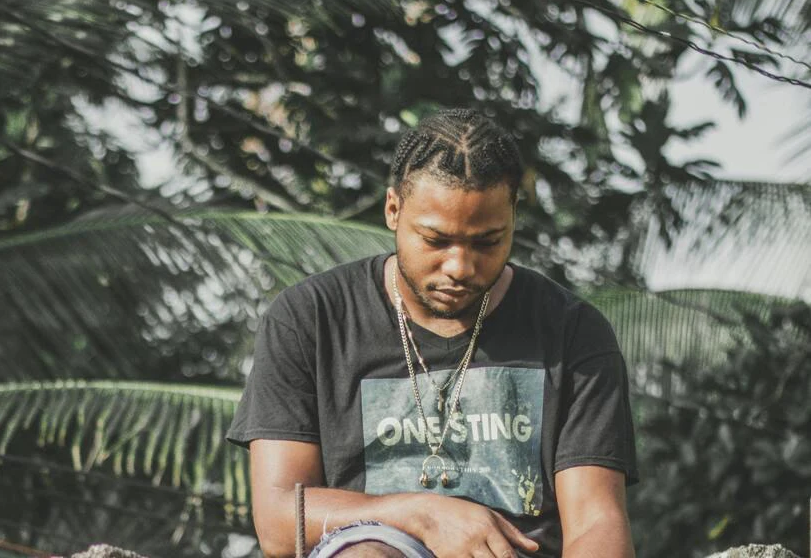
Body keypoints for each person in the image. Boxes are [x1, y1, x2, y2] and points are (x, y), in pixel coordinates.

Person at [226, 108, 638, 558]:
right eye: (437, 241)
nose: (460, 267)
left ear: (514, 218)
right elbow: (281, 520)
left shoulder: (571, 331)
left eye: (486, 241)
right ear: (393, 210)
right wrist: (422, 514)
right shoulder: (311, 319)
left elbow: (597, 521)